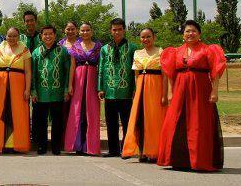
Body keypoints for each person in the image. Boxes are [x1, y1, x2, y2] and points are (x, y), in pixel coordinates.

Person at [157, 20, 226, 172]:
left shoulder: (208, 50)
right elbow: (170, 73)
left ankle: (199, 160)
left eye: (194, 31)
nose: (190, 34)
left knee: (198, 124)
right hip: (180, 90)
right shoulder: (175, 52)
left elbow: (215, 72)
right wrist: (170, 92)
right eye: (187, 31)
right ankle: (179, 160)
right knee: (175, 122)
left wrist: (215, 91)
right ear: (183, 35)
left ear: (199, 34)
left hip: (200, 90)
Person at [122, 28, 168, 162]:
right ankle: (142, 151)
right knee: (140, 119)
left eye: (148, 36)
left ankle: (154, 151)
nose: (145, 39)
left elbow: (165, 76)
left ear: (154, 37)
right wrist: (136, 90)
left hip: (155, 87)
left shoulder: (161, 52)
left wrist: (165, 94)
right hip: (141, 87)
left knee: (153, 119)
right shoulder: (137, 53)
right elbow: (136, 75)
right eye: (143, 37)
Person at [0, 27, 31, 153]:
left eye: (14, 36)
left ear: (18, 36)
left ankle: (17, 144)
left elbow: (28, 71)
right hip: (1, 85)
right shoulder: (0, 48)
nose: (12, 38)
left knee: (17, 113)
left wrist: (27, 89)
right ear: (6, 36)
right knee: (1, 111)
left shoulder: (24, 49)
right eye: (9, 36)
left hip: (19, 85)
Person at [98, 18, 138, 157]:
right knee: (111, 122)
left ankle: (127, 149)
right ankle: (113, 150)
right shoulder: (104, 49)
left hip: (125, 91)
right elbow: (101, 69)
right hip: (109, 91)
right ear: (111, 31)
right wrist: (100, 88)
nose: (117, 32)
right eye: (114, 29)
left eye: (120, 29)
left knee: (127, 122)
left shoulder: (132, 48)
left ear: (124, 30)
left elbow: (135, 71)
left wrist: (134, 88)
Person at [31, 25, 72, 155]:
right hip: (41, 93)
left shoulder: (63, 51)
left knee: (57, 121)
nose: (48, 36)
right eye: (45, 34)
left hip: (58, 93)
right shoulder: (36, 52)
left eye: (50, 34)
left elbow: (67, 72)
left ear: (55, 35)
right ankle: (42, 146)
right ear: (41, 36)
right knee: (41, 122)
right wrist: (33, 91)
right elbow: (33, 74)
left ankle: (56, 146)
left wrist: (66, 89)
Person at [64, 22, 102, 155]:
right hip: (78, 79)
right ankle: (77, 145)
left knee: (91, 112)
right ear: (79, 32)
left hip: (92, 78)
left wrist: (100, 85)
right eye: (83, 30)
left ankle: (90, 146)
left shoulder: (98, 47)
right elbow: (72, 66)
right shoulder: (75, 47)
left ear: (91, 32)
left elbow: (101, 66)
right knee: (77, 111)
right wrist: (69, 84)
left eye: (87, 30)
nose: (85, 33)